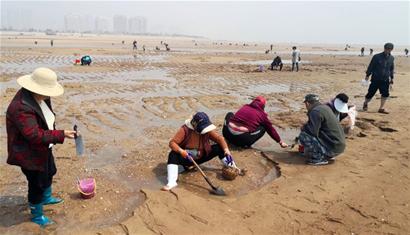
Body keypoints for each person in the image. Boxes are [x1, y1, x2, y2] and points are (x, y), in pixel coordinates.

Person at [6, 68, 77, 226]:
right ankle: (37, 214)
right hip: (28, 152)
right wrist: (61, 134)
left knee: (50, 171)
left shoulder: (40, 97)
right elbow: (34, 135)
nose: (48, 94)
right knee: (36, 183)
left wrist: (55, 135)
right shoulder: (20, 107)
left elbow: (45, 119)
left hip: (43, 147)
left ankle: (47, 198)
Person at [162, 112, 238, 191]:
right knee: (173, 154)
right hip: (188, 158)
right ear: (194, 126)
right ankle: (172, 182)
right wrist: (181, 152)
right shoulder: (184, 130)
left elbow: (220, 139)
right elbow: (172, 143)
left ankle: (233, 167)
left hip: (202, 155)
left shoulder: (207, 131)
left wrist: (226, 150)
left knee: (219, 147)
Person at [223, 96, 288, 149]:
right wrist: (280, 142)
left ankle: (228, 140)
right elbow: (271, 130)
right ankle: (246, 145)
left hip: (227, 133)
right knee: (264, 127)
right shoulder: (262, 115)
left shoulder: (245, 106)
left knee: (230, 114)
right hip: (242, 139)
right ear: (263, 106)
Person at [298, 94, 346, 165]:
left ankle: (319, 158)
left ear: (307, 103)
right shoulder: (325, 108)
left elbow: (312, 132)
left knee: (303, 136)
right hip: (339, 146)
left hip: (334, 148)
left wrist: (303, 128)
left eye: (305, 104)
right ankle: (327, 154)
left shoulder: (315, 112)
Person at [363, 43, 395, 114]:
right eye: (386, 48)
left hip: (385, 80)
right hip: (375, 79)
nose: (387, 50)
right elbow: (371, 66)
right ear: (384, 48)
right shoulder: (377, 57)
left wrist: (392, 78)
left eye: (389, 49)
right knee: (370, 93)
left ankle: (381, 108)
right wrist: (367, 75)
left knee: (385, 94)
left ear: (391, 49)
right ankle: (365, 103)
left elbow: (391, 69)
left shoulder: (392, 58)